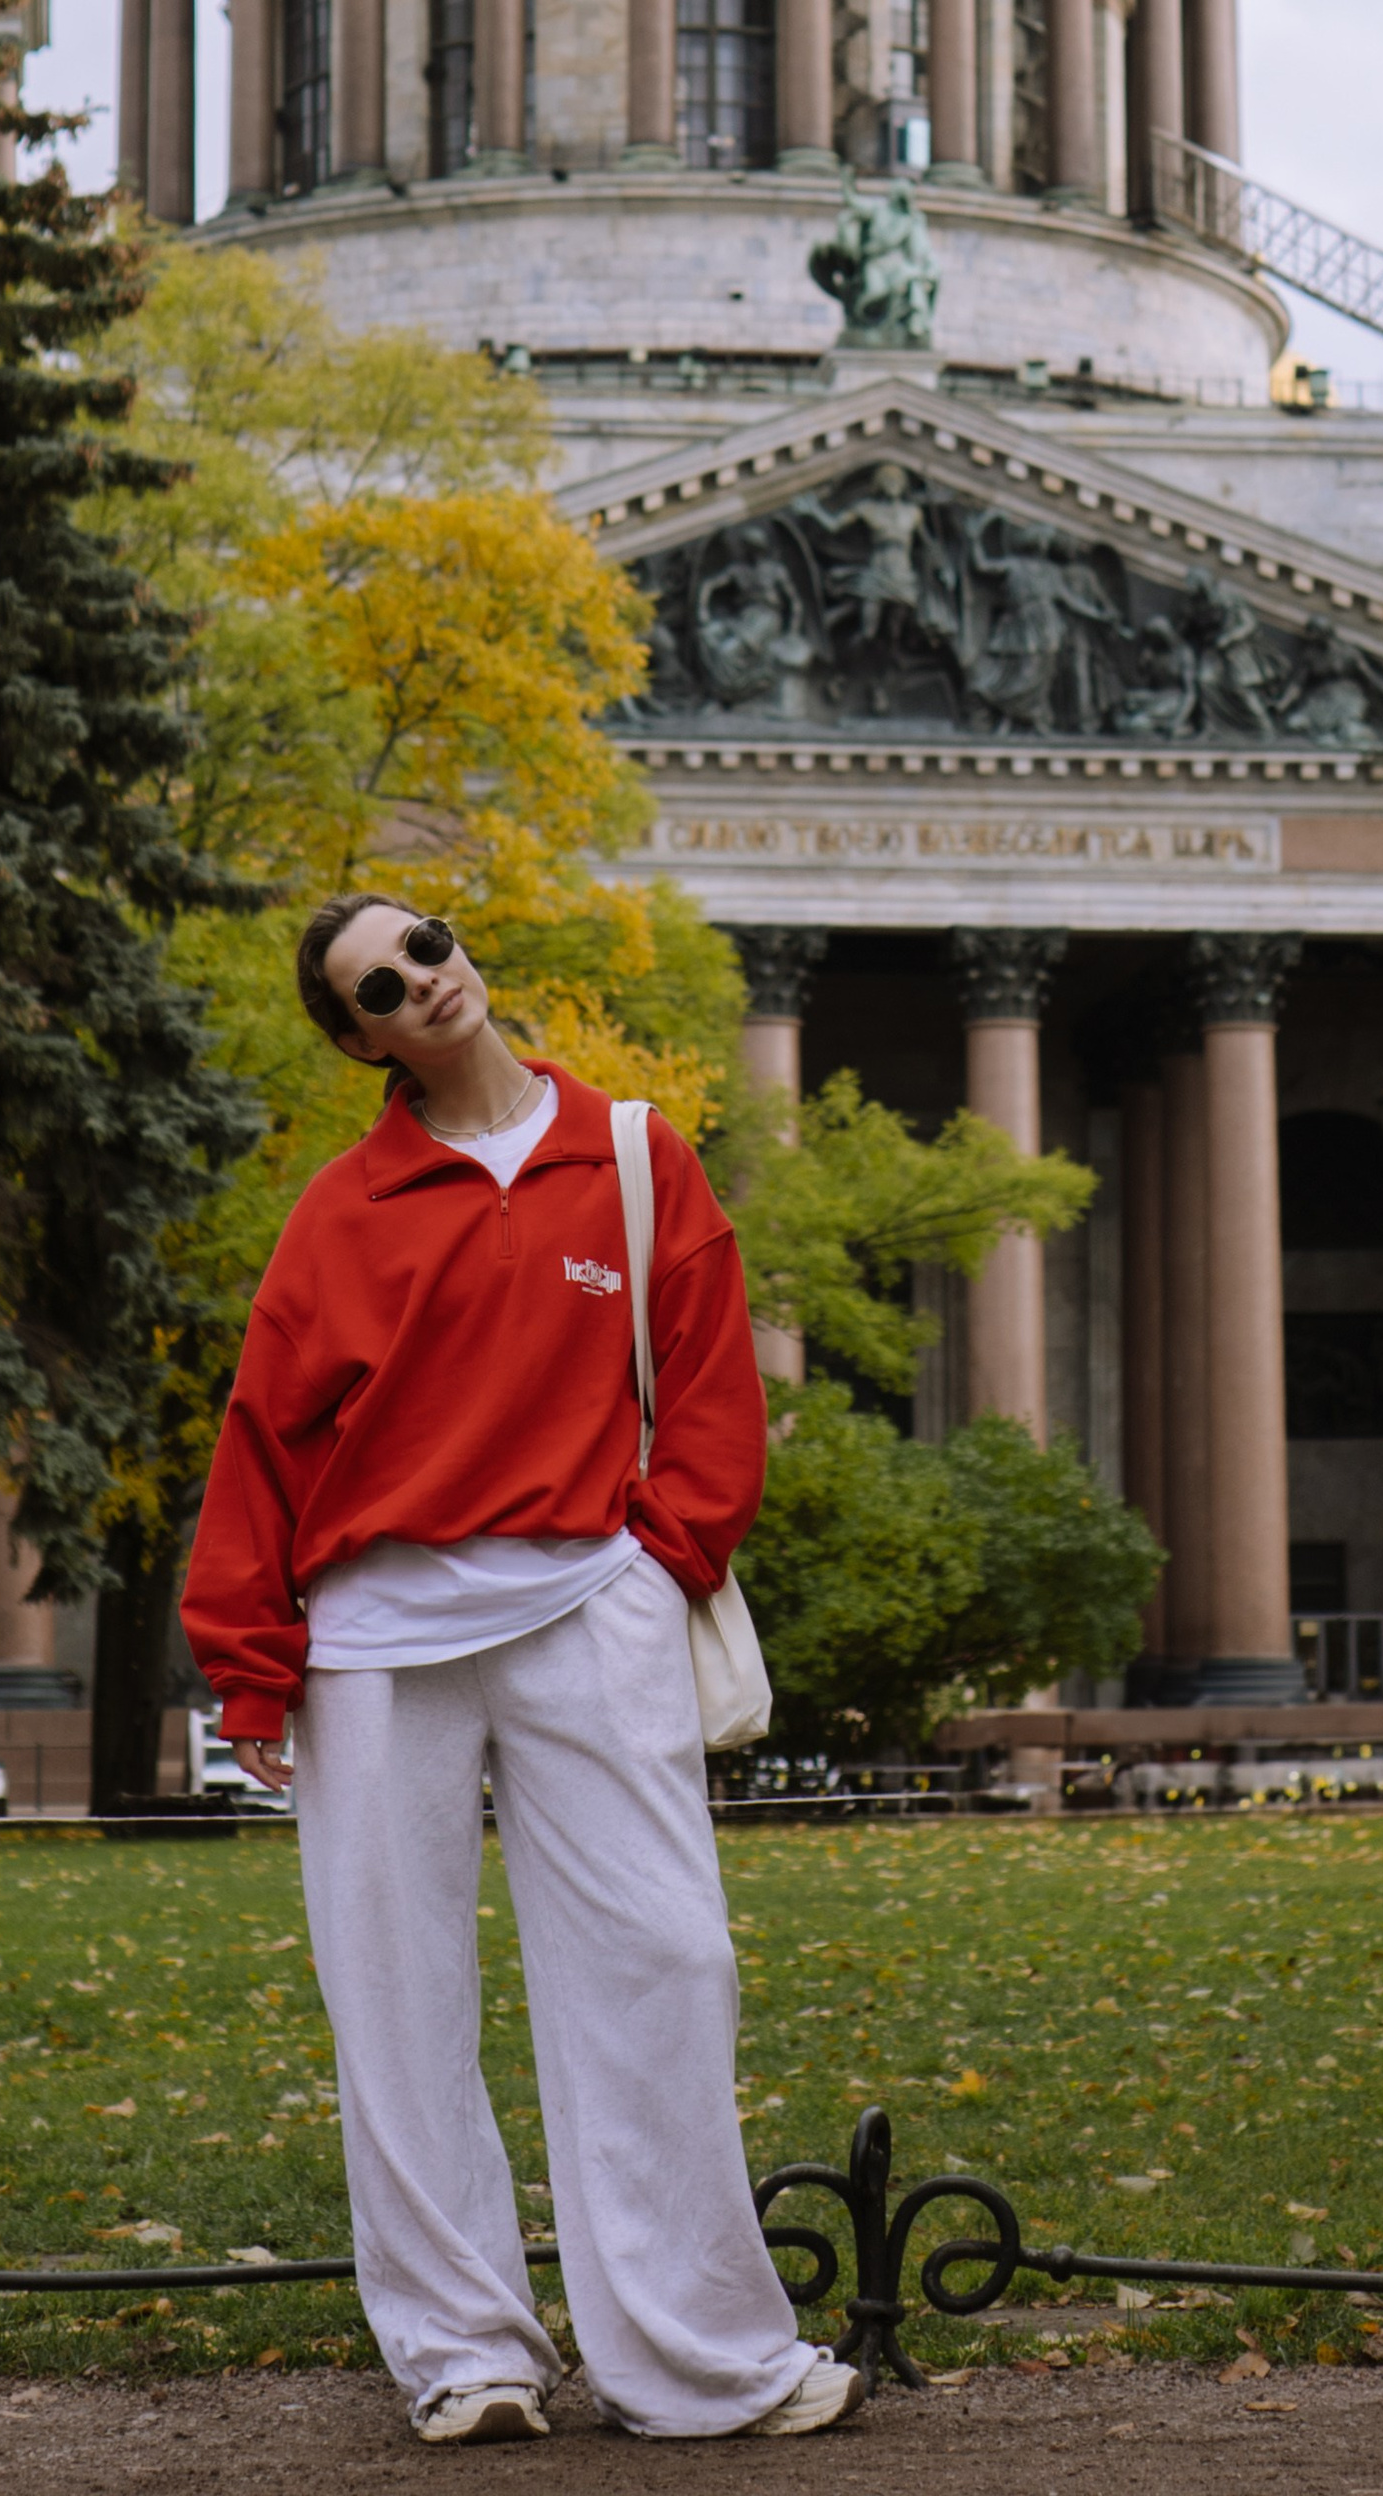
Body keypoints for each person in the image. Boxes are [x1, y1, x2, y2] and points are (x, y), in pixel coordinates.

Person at [181, 896, 854, 2448]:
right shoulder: (342, 1210)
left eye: (427, 946)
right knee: (397, 2008)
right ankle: (466, 2355)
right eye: (380, 986)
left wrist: (662, 1561)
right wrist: (250, 1669)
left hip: (587, 1608)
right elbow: (264, 1443)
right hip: (373, 1646)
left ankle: (698, 2360)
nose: (425, 980)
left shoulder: (629, 1152)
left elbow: (708, 1376)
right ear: (359, 1041)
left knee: (669, 1964)